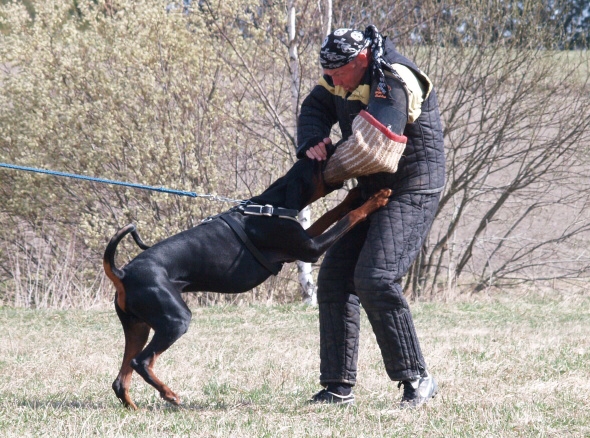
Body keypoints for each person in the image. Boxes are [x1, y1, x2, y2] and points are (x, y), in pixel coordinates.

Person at [297, 26, 445, 408]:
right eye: (327, 75)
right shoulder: (341, 74)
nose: (332, 82)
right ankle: (337, 386)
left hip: (412, 188)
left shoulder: (394, 80)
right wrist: (312, 139)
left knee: (375, 277)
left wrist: (313, 182)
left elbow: (372, 151)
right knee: (333, 279)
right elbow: (315, 107)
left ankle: (417, 378)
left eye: (337, 74)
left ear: (360, 60)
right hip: (371, 191)